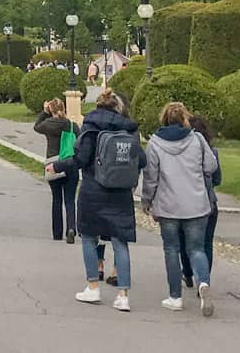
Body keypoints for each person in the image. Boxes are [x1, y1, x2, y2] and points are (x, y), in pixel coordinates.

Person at [58, 90, 141, 313]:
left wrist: (58, 165)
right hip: (121, 192)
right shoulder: (129, 129)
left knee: (88, 238)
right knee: (120, 242)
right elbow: (140, 160)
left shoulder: (90, 127)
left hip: (93, 189)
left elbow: (81, 159)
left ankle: (93, 286)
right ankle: (123, 295)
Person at [141, 101, 217, 316]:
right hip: (196, 203)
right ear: (185, 118)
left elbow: (151, 178)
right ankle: (203, 282)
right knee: (197, 249)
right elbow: (211, 166)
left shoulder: (155, 144)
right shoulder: (197, 139)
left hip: (168, 205)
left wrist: (147, 201)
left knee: (171, 249)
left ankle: (175, 296)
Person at [179, 114, 222, 287]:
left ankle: (188, 272)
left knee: (185, 240)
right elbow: (217, 179)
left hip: (187, 202)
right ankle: (204, 279)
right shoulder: (212, 152)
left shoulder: (184, 152)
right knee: (205, 243)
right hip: (209, 201)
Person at [34, 96, 78, 243]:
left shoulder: (47, 124)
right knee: (70, 199)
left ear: (50, 110)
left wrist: (44, 112)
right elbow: (79, 142)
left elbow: (36, 126)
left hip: (53, 164)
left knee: (56, 199)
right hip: (70, 164)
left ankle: (57, 233)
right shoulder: (71, 125)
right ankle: (71, 227)